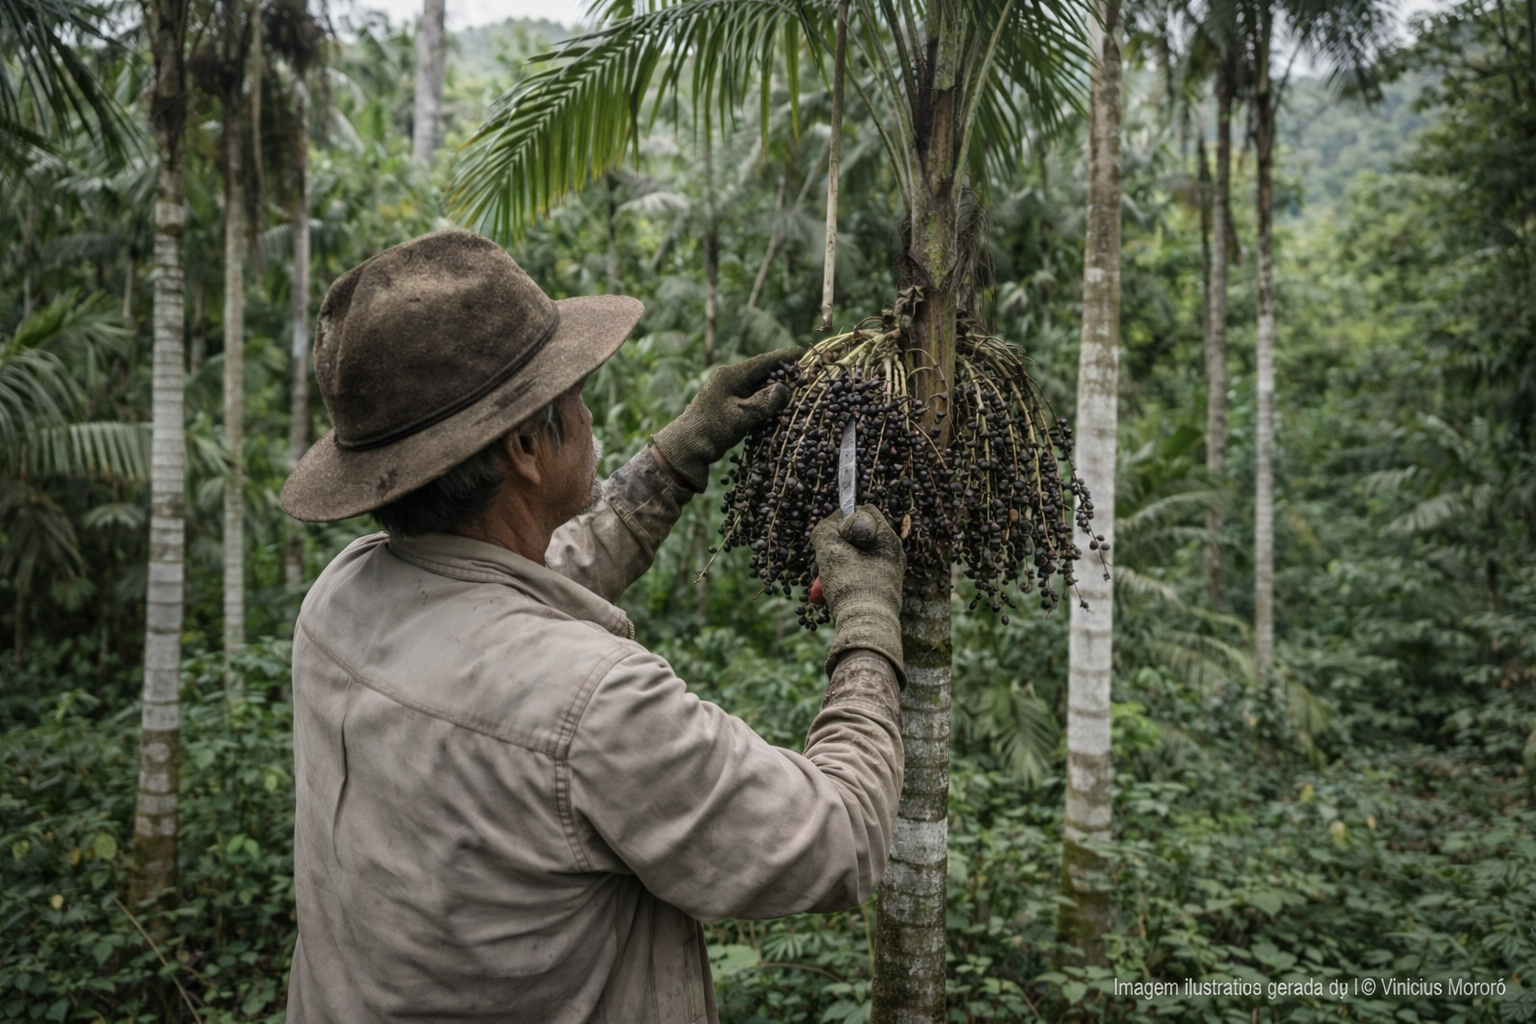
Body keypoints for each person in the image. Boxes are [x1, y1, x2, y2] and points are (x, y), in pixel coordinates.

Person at [280, 229, 908, 1023]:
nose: (585, 410)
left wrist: (677, 458)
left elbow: (514, 595)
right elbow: (838, 838)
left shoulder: (338, 598)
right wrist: (867, 624)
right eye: (572, 396)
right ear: (525, 449)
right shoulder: (593, 702)